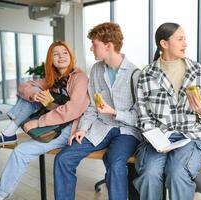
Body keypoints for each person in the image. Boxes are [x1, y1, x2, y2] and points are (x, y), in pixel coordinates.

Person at [54, 22, 141, 200]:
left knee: (115, 162)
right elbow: (93, 107)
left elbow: (140, 117)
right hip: (100, 127)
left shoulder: (135, 74)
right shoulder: (96, 70)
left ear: (108, 46)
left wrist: (115, 112)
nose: (91, 49)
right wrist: (82, 129)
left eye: (94, 45)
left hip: (127, 131)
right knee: (63, 158)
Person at [0, 41, 89, 200]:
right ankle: (9, 133)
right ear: (50, 59)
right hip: (53, 122)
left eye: (64, 53)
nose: (61, 57)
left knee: (21, 151)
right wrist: (34, 94)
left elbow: (73, 110)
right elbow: (24, 86)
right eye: (56, 54)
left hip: (67, 128)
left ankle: (1, 193)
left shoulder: (79, 77)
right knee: (31, 96)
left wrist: (39, 122)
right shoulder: (53, 78)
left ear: (71, 56)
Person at [133, 22, 201, 200]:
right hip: (158, 137)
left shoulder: (197, 71)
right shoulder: (147, 74)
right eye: (180, 39)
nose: (185, 43)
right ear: (164, 44)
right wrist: (156, 139)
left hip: (191, 136)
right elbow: (143, 114)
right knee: (149, 174)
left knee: (177, 174)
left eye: (185, 39)